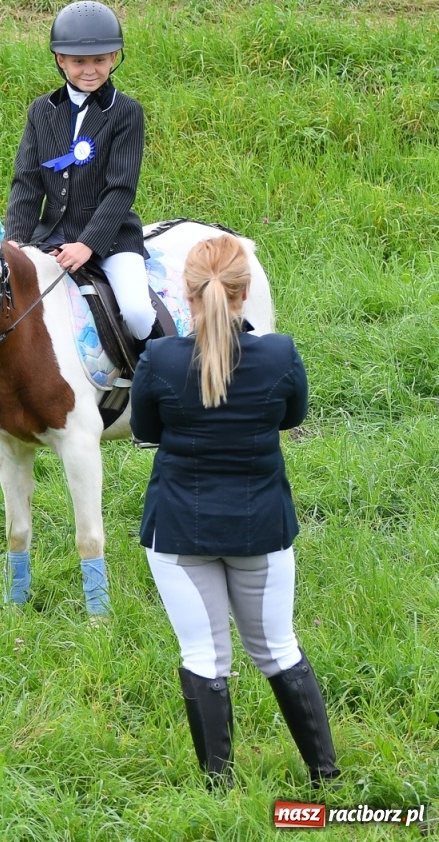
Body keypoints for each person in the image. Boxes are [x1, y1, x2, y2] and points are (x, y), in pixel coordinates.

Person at [131, 234, 337, 787]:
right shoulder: (280, 355)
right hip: (260, 527)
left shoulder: (159, 359)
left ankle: (218, 791)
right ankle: (326, 779)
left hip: (179, 529)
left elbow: (146, 430)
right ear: (245, 293)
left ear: (185, 293)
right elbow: (291, 417)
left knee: (204, 656)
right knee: (278, 649)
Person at [0, 0, 158, 436]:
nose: (89, 70)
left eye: (99, 60)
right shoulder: (42, 111)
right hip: (49, 238)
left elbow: (121, 189)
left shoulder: (126, 113)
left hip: (111, 238)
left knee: (137, 311)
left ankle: (156, 395)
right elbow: (26, 183)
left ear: (114, 58)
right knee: (5, 304)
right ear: (61, 60)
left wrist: (88, 244)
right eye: (79, 62)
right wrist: (16, 242)